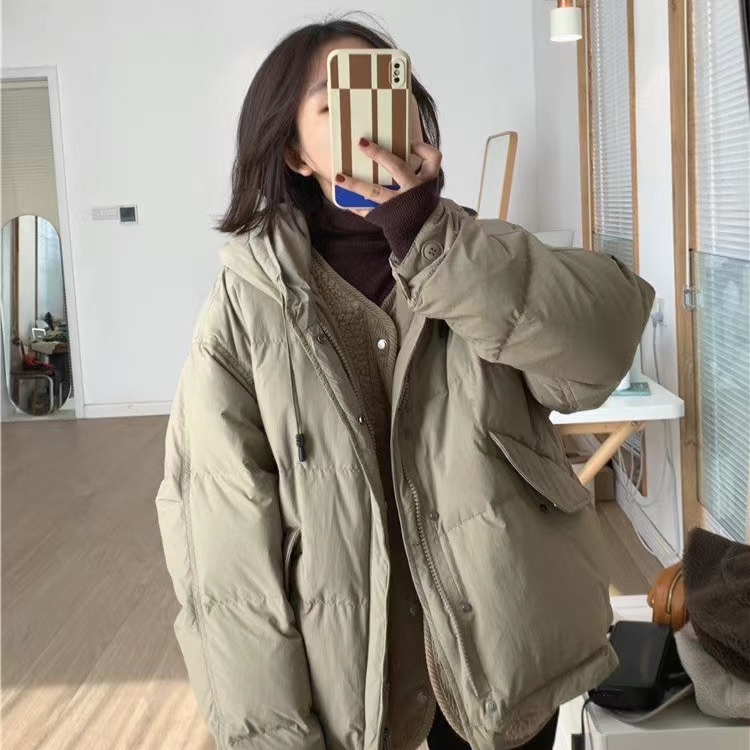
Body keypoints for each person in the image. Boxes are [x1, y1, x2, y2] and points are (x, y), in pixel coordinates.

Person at [155, 16, 655, 750]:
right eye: (334, 102)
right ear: (293, 151)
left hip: (502, 660)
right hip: (347, 686)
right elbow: (223, 548)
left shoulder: (477, 257)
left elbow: (601, 351)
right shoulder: (244, 307)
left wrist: (432, 242)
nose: (368, 121)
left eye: (389, 94)